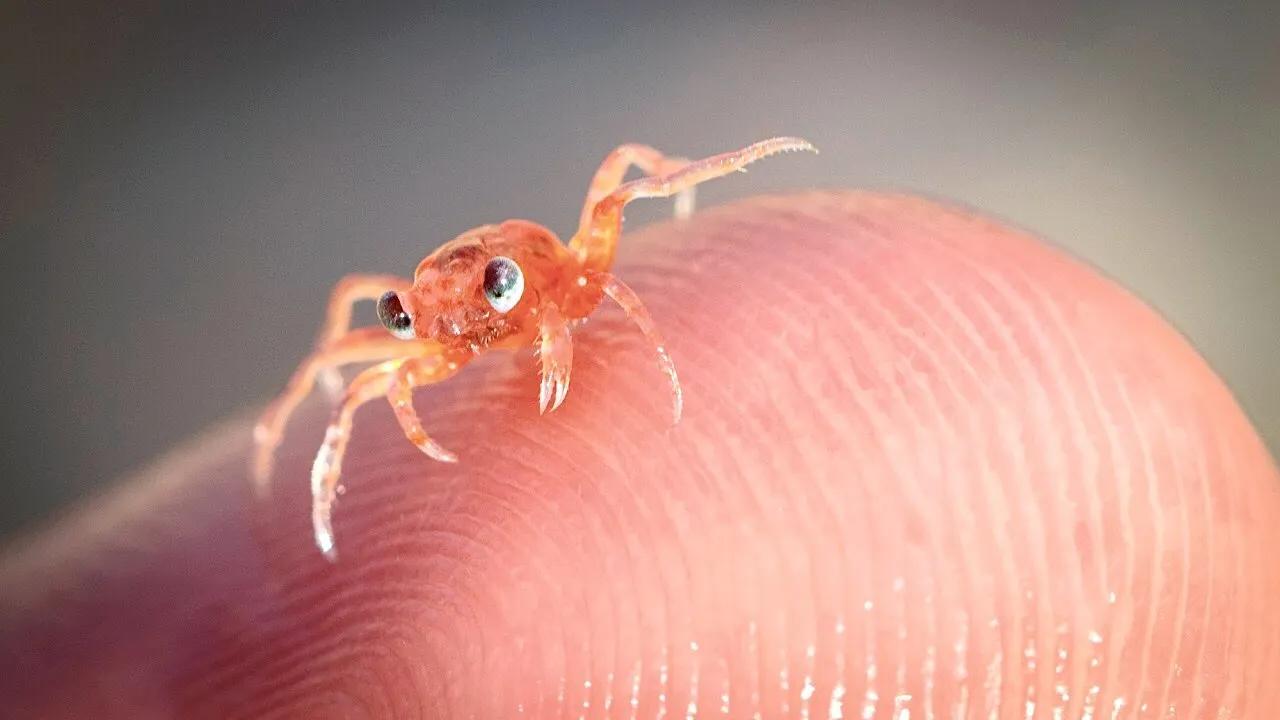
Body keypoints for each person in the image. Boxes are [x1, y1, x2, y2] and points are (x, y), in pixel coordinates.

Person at [2, 191, 1277, 718]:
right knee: (348, 388)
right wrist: (329, 399)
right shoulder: (428, 327)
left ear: (519, 279)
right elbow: (372, 336)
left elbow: (614, 199)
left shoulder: (563, 277)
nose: (429, 329)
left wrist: (586, 313)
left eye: (489, 297)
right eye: (407, 314)